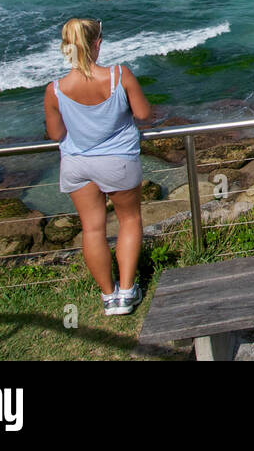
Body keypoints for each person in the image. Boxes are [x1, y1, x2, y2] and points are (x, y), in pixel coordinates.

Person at [44, 18, 151, 316]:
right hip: (117, 161)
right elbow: (143, 113)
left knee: (92, 229)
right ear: (97, 44)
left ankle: (108, 296)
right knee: (129, 220)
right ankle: (127, 292)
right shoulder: (119, 75)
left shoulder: (55, 89)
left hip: (77, 164)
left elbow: (56, 134)